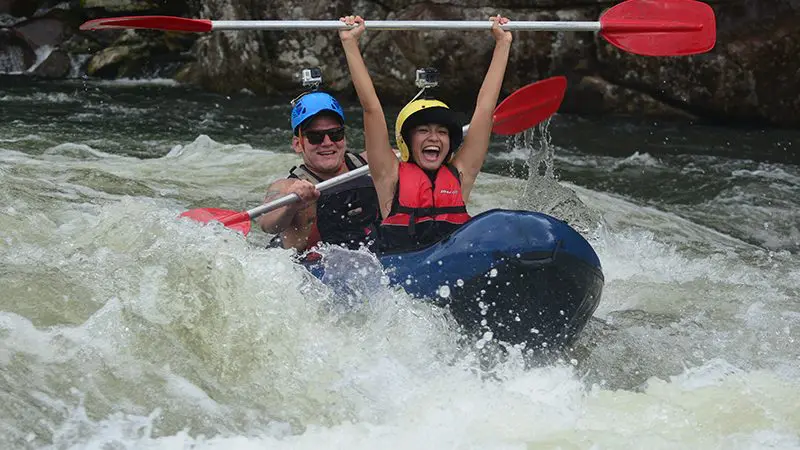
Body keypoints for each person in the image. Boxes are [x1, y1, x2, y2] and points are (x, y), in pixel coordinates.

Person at [339, 14, 513, 253]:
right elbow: (372, 108)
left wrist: (503, 44)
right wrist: (350, 43)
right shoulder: (388, 175)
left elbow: (484, 110)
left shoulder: (461, 174)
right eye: (423, 130)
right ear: (406, 141)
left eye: (442, 132)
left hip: (450, 271)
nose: (434, 137)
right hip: (399, 275)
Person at [257, 91, 382, 252]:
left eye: (335, 134)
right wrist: (290, 206)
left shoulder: (372, 163)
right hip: (309, 266)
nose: (327, 143)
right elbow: (267, 223)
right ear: (298, 144)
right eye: (315, 137)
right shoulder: (288, 187)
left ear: (344, 138)